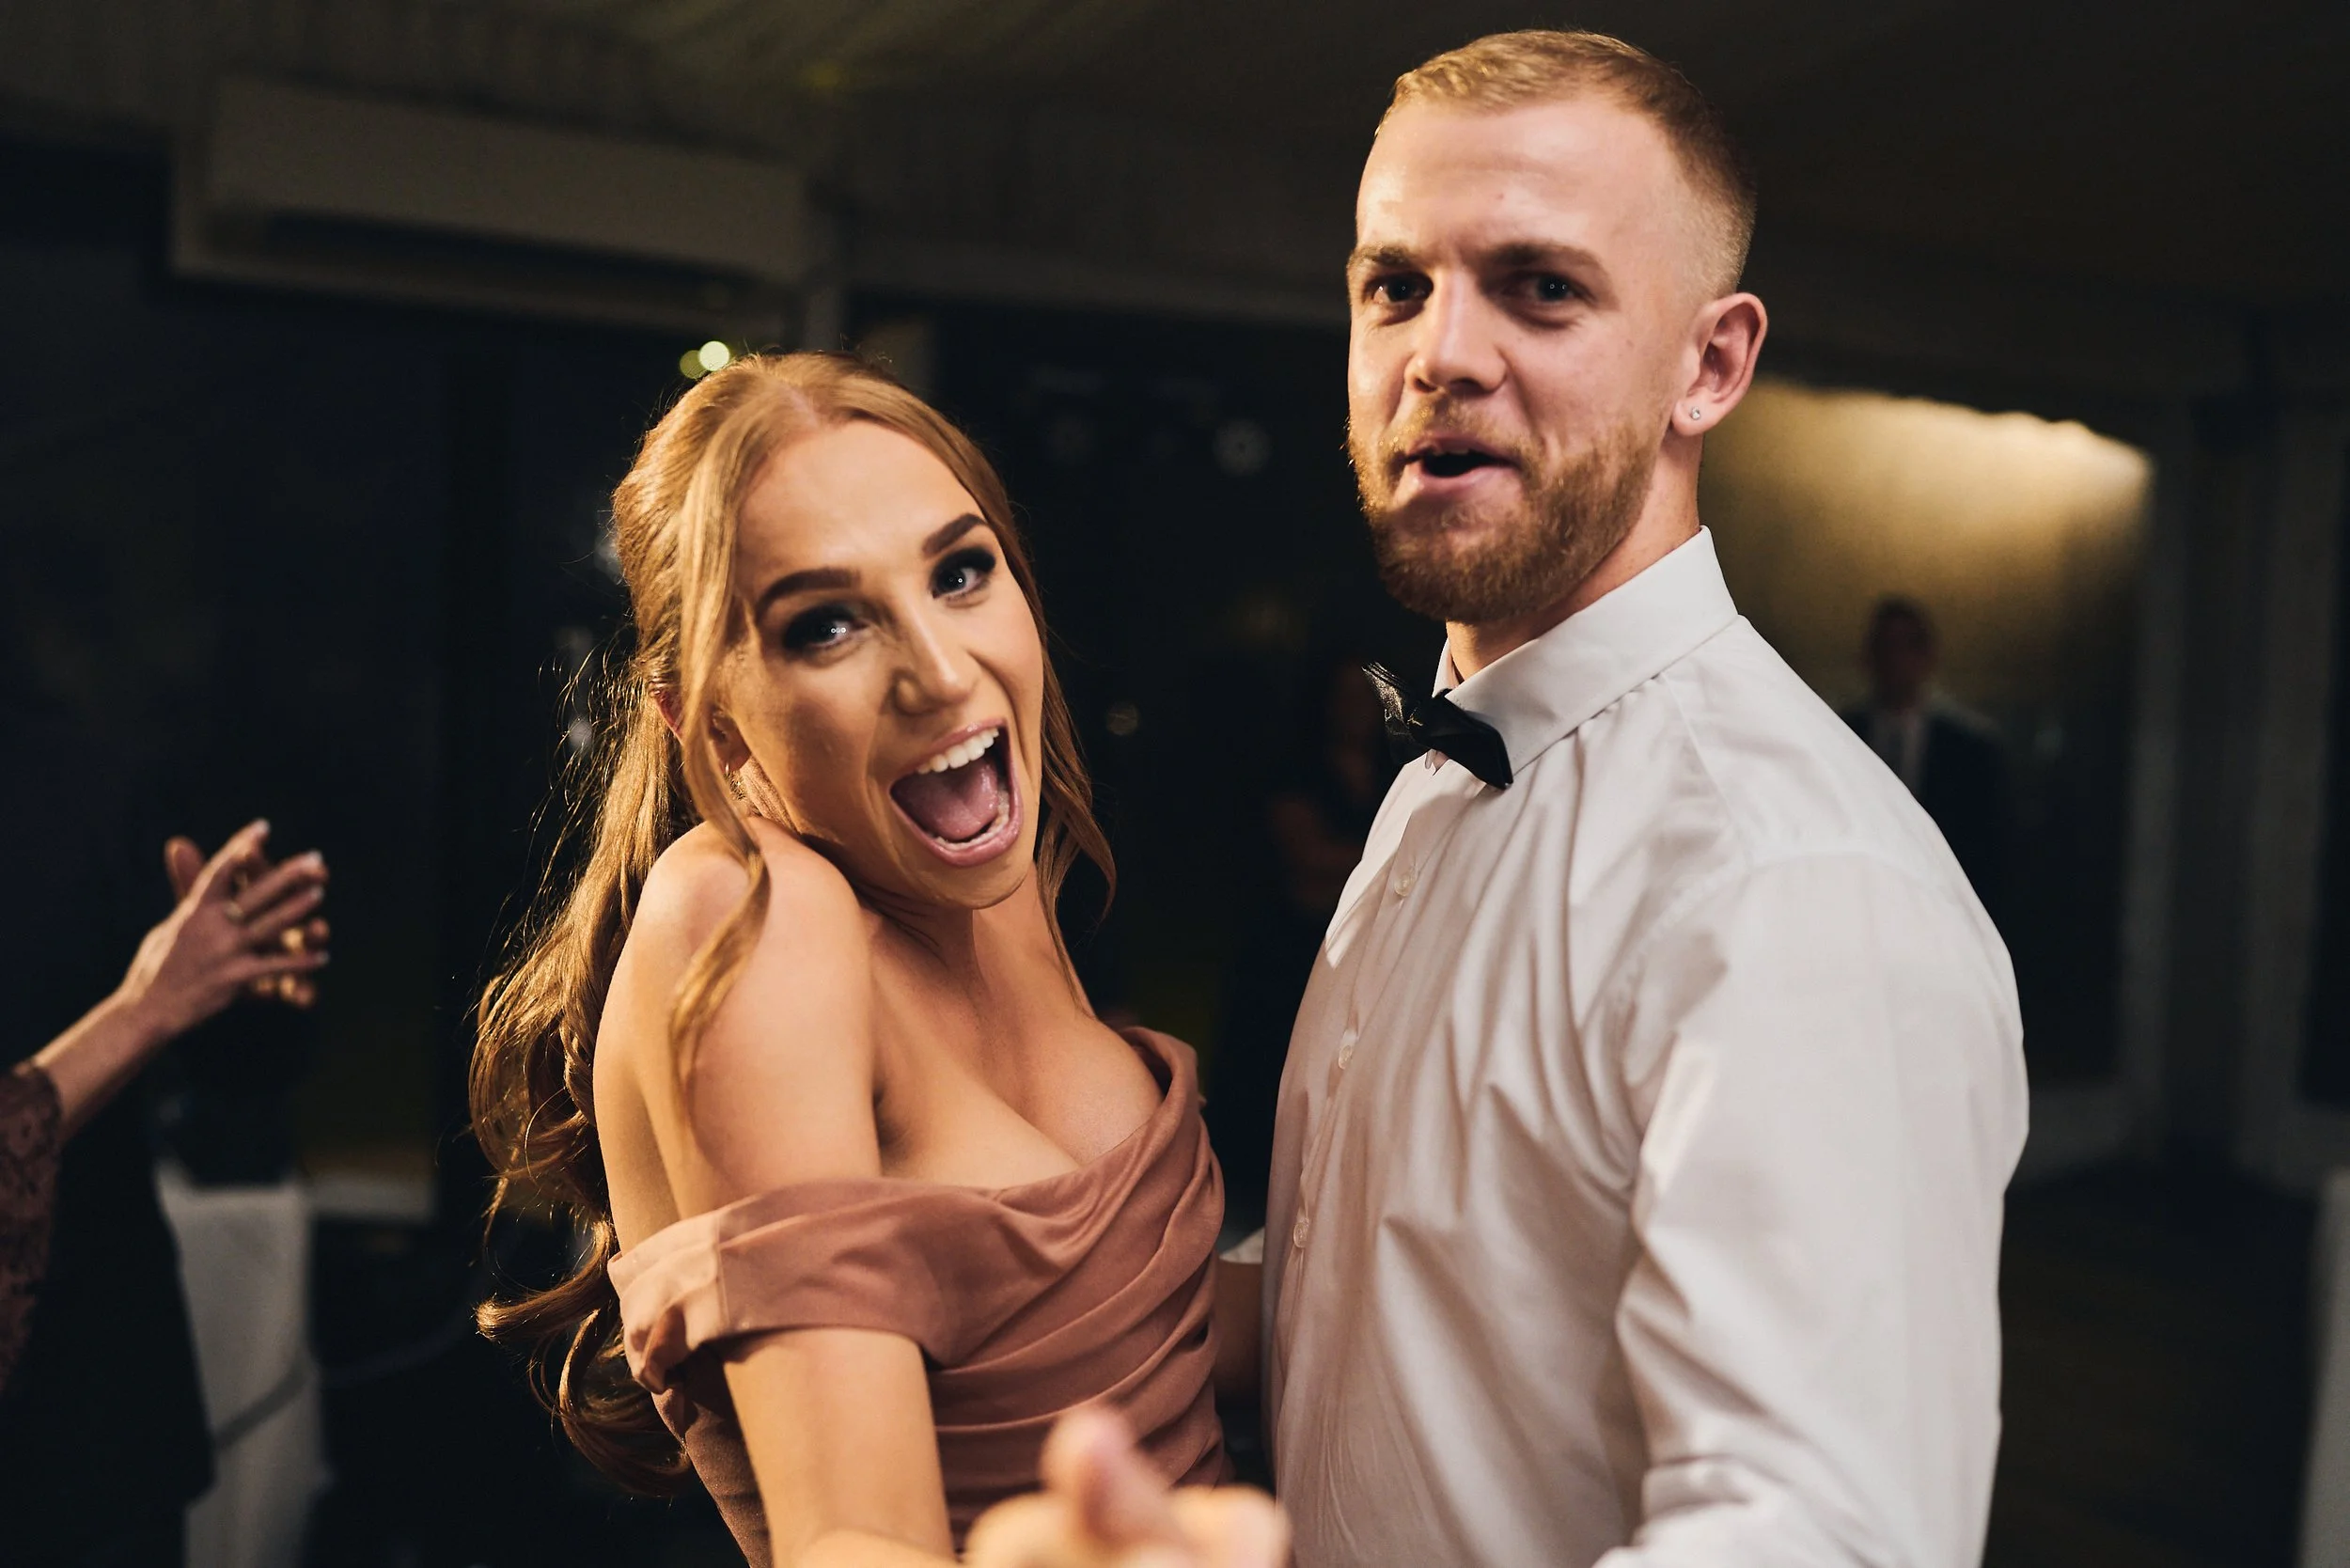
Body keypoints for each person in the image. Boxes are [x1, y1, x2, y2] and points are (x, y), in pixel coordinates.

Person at [978, 28, 2028, 1568]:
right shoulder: (1443, 775)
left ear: (1709, 366)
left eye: (1540, 287)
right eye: (1395, 285)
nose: (1441, 353)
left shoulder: (1792, 884)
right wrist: (956, 1298)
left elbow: (1818, 1539)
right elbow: (1386, 1296)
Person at [469, 353, 1270, 1568]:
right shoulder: (748, 916)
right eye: (826, 626)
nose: (941, 672)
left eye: (960, 573)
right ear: (706, 721)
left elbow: (1140, 1341)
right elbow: (849, 1539)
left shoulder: (989, 883)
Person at [1, 820, 329, 1564]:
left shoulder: (95, 784)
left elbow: (240, 1070)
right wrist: (145, 1008)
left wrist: (247, 979)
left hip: (99, 1412)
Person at [1206, 651, 1394, 1234]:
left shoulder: (1397, 769)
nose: (1355, 710)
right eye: (1345, 697)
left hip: (1366, 945)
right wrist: (1393, 855)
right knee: (1273, 1074)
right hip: (1292, 945)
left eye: (1365, 698)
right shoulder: (1297, 769)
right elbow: (1308, 858)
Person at [1843, 596, 2012, 915]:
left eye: (1907, 646)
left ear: (1928, 656)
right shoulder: (1841, 735)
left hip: (1945, 906)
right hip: (1861, 901)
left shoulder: (1970, 749)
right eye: (1886, 647)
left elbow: (1988, 852)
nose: (1896, 660)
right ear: (1868, 656)